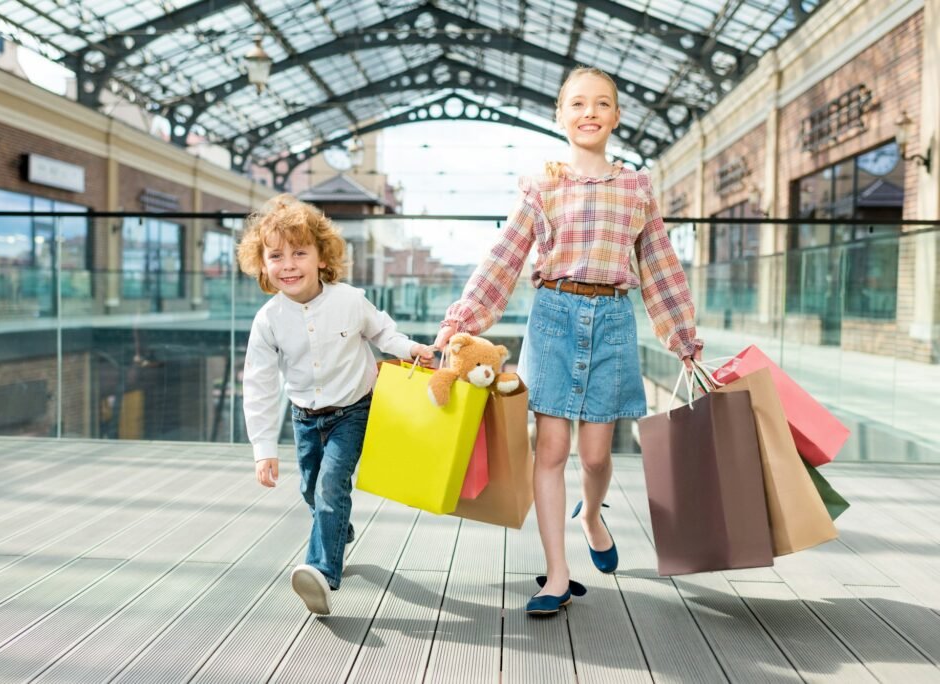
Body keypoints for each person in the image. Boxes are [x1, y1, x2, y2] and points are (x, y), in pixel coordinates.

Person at [434, 66, 703, 616]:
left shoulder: (636, 188)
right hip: (554, 316)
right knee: (552, 449)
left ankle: (592, 514)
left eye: (601, 104)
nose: (589, 113)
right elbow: (504, 258)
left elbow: (660, 267)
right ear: (560, 115)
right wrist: (462, 319)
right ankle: (557, 573)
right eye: (577, 104)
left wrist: (683, 339)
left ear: (616, 116)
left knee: (597, 453)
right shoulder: (541, 188)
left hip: (612, 319)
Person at [239, 195, 434, 616]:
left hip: (353, 411)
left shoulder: (348, 300)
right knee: (311, 488)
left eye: (299, 253)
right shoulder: (268, 319)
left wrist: (411, 348)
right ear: (262, 265)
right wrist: (263, 450)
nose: (288, 264)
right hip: (304, 417)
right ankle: (337, 528)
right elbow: (257, 384)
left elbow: (383, 333)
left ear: (322, 257)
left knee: (330, 484)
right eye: (276, 256)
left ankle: (322, 572)